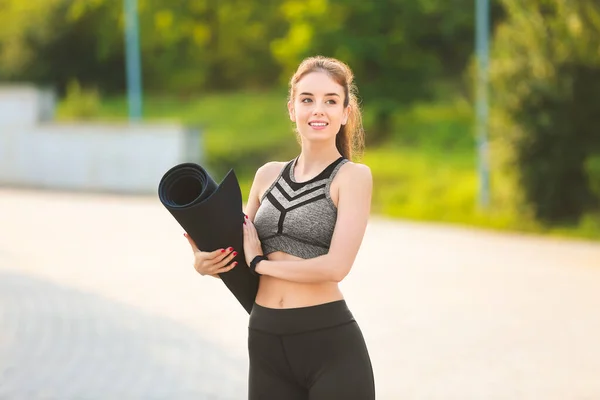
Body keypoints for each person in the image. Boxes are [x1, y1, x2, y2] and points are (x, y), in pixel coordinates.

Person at [184, 55, 375, 399]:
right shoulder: (266, 175)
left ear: (345, 112)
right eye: (307, 100)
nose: (318, 109)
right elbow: (241, 254)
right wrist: (206, 264)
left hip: (328, 343)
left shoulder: (352, 177)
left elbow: (336, 267)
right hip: (266, 340)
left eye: (330, 101)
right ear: (292, 109)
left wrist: (261, 264)